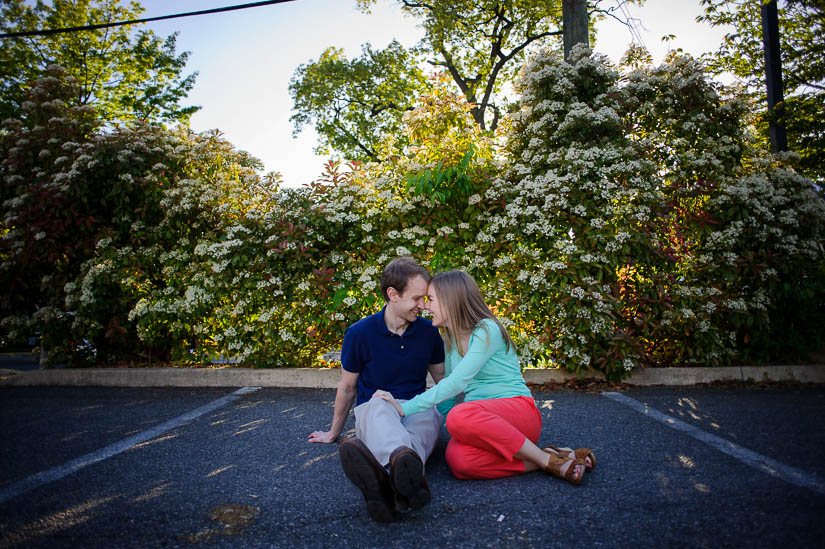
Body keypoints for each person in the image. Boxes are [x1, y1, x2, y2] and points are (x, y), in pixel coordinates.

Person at [374, 270, 596, 484]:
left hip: (517, 412)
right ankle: (549, 458)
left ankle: (546, 460)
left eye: (430, 299)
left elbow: (456, 384)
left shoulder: (487, 330)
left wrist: (405, 408)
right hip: (481, 420)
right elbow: (449, 396)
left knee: (458, 417)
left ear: (450, 300)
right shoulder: (450, 341)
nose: (424, 306)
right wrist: (421, 426)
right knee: (459, 461)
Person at [308, 257, 446, 523]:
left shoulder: (429, 332)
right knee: (380, 403)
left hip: (416, 407)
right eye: (417, 298)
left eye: (425, 298)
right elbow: (348, 387)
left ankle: (384, 483)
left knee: (428, 415)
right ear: (392, 294)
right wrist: (333, 432)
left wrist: (461, 424)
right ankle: (408, 481)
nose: (424, 306)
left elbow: (443, 383)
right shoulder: (359, 334)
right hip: (376, 411)